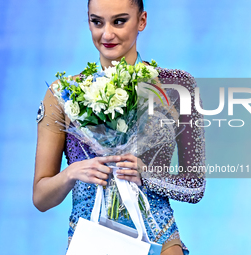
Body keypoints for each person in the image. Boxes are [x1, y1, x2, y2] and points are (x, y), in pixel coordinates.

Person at [33, 0, 206, 254]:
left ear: (142, 21)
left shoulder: (177, 87)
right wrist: (72, 173)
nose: (107, 34)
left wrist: (146, 176)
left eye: (119, 21)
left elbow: (195, 187)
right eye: (97, 22)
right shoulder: (63, 94)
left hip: (159, 242)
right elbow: (40, 197)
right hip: (90, 243)